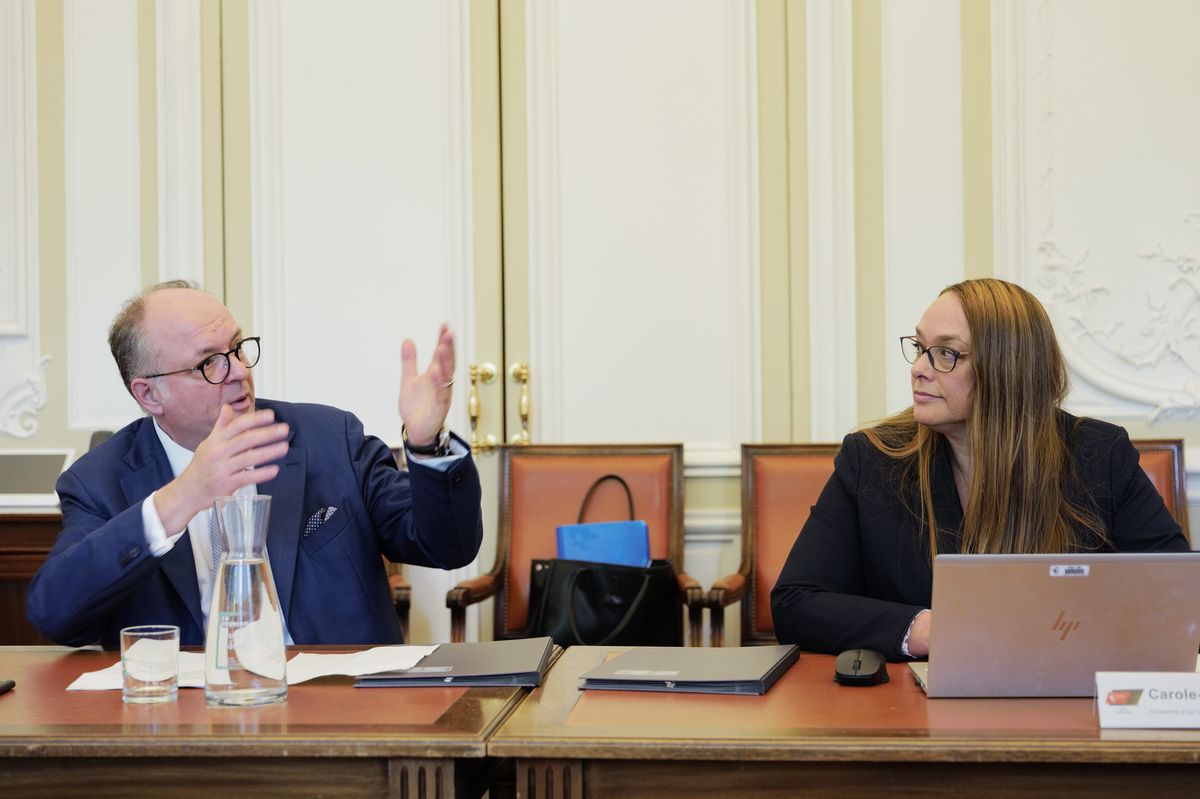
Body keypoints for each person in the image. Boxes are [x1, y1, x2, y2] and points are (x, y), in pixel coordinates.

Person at [26, 280, 483, 648]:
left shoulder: (329, 438)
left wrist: (427, 445)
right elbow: (55, 613)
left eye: (238, 347)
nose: (240, 371)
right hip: (180, 730)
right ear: (149, 394)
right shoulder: (97, 482)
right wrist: (180, 498)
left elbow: (446, 547)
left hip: (336, 716)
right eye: (209, 363)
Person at [770, 278, 1188, 660]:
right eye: (919, 348)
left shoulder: (1098, 454)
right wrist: (924, 630)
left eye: (946, 354)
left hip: (1065, 698)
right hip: (914, 713)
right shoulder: (874, 459)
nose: (918, 368)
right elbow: (797, 602)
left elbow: (1178, 597)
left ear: (1007, 369)